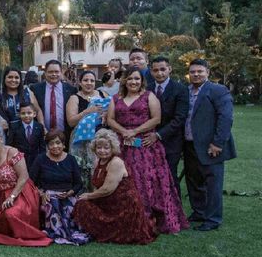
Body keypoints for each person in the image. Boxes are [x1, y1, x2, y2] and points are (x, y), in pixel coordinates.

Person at [106, 67, 189, 234]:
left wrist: (134, 132)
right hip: (122, 144)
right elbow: (110, 119)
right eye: (130, 79)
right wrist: (123, 132)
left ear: (142, 81)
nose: (133, 82)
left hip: (144, 144)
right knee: (123, 179)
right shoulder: (116, 98)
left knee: (146, 179)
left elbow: (156, 119)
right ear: (124, 81)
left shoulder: (149, 96)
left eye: (137, 79)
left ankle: (149, 217)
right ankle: (125, 218)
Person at [73, 129, 157, 245]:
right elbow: (97, 186)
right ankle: (98, 231)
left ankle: (106, 232)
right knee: (81, 204)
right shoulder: (98, 161)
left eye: (106, 147)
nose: (102, 151)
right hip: (107, 202)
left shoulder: (116, 162)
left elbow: (108, 189)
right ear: (94, 148)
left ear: (112, 148)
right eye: (99, 147)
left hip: (122, 206)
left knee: (83, 202)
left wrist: (89, 196)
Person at [183, 59, 236, 231]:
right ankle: (199, 212)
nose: (196, 74)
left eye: (200, 71)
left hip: (210, 146)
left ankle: (212, 219)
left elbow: (226, 118)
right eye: (192, 72)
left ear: (207, 72)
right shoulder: (187, 91)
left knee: (212, 183)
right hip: (189, 144)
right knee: (193, 181)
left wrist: (217, 143)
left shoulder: (217, 90)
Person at [0, 128, 51, 247]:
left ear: (1, 139)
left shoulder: (12, 152)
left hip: (21, 192)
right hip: (0, 196)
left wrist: (12, 197)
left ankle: (29, 234)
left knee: (10, 214)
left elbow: (24, 177)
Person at [29, 129, 89, 245]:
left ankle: (70, 231)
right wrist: (41, 194)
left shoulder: (71, 159)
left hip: (68, 194)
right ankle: (57, 232)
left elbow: (78, 183)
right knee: (53, 203)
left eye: (58, 143)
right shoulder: (40, 159)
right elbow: (31, 182)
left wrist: (70, 192)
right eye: (51, 144)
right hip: (48, 195)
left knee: (73, 206)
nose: (55, 146)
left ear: (63, 144)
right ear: (47, 146)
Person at [145, 56, 189, 192]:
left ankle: (174, 210)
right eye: (156, 70)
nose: (159, 73)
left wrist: (158, 135)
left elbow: (180, 118)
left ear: (169, 69)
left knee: (169, 176)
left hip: (171, 141)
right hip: (148, 141)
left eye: (163, 69)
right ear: (151, 72)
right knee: (151, 176)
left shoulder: (180, 89)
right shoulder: (147, 89)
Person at [66, 70, 110, 190]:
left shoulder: (102, 94)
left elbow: (112, 110)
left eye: (92, 80)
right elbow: (71, 122)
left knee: (101, 169)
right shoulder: (74, 98)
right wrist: (87, 111)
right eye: (85, 80)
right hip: (81, 141)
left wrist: (106, 114)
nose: (89, 83)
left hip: (101, 139)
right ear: (80, 82)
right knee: (82, 172)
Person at [29, 60, 77, 142]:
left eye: (56, 72)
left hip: (65, 135)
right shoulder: (35, 89)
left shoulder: (71, 90)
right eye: (50, 72)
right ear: (45, 73)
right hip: (43, 134)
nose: (54, 74)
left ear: (61, 72)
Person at [6, 102, 45, 170]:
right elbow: (10, 145)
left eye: (29, 113)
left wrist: (42, 160)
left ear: (34, 114)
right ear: (19, 115)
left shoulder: (39, 127)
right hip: (19, 161)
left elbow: (42, 146)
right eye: (23, 113)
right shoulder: (14, 127)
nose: (26, 115)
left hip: (35, 160)